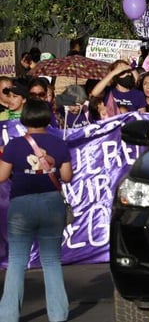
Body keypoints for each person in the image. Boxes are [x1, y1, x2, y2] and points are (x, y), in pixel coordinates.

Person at [0, 99, 73, 322]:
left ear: (24, 118)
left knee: (17, 261)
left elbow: (2, 176)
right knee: (51, 261)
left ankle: (8, 315)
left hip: (22, 204)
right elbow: (68, 177)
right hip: (51, 203)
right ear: (47, 117)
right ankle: (58, 315)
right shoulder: (59, 143)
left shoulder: (14, 145)